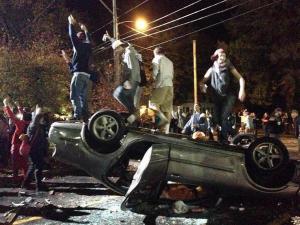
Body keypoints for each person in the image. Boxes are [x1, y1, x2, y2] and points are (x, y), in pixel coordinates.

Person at [199, 48, 246, 143]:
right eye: (220, 55)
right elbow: (202, 81)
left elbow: (241, 78)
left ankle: (225, 140)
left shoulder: (229, 66)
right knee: (217, 120)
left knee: (223, 118)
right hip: (217, 98)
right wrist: (202, 86)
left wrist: (242, 90)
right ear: (216, 57)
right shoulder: (211, 69)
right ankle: (235, 135)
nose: (223, 57)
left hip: (229, 96)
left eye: (224, 56)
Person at [102, 33, 142, 124]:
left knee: (117, 93)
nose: (116, 51)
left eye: (116, 49)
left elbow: (132, 69)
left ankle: (135, 113)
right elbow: (117, 42)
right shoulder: (128, 51)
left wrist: (128, 81)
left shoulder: (129, 54)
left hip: (133, 80)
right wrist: (109, 38)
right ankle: (134, 121)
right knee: (130, 101)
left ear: (120, 47)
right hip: (135, 81)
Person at [67, 15, 92, 121]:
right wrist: (86, 30)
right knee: (83, 98)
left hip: (79, 75)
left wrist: (71, 24)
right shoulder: (88, 46)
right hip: (87, 77)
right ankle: (86, 116)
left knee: (74, 95)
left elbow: (72, 36)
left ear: (79, 39)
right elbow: (89, 38)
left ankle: (77, 115)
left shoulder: (79, 46)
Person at [3, 97, 31, 181]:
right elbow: (24, 115)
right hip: (25, 145)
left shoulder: (20, 123)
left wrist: (6, 105)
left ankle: (15, 178)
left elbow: (11, 116)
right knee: (24, 163)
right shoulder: (30, 124)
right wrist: (19, 107)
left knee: (15, 162)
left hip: (16, 145)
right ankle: (26, 178)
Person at [22, 108, 48, 192]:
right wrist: (39, 111)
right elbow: (36, 118)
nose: (43, 120)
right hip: (35, 150)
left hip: (36, 149)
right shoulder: (33, 125)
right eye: (42, 118)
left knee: (33, 166)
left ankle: (26, 184)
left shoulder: (36, 126)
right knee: (38, 167)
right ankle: (38, 186)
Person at [149, 46, 174, 133]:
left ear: (155, 52)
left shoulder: (156, 58)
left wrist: (153, 82)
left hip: (161, 85)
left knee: (152, 104)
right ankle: (164, 131)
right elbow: (172, 74)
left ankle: (162, 119)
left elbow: (155, 73)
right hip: (170, 85)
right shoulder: (170, 62)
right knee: (166, 109)